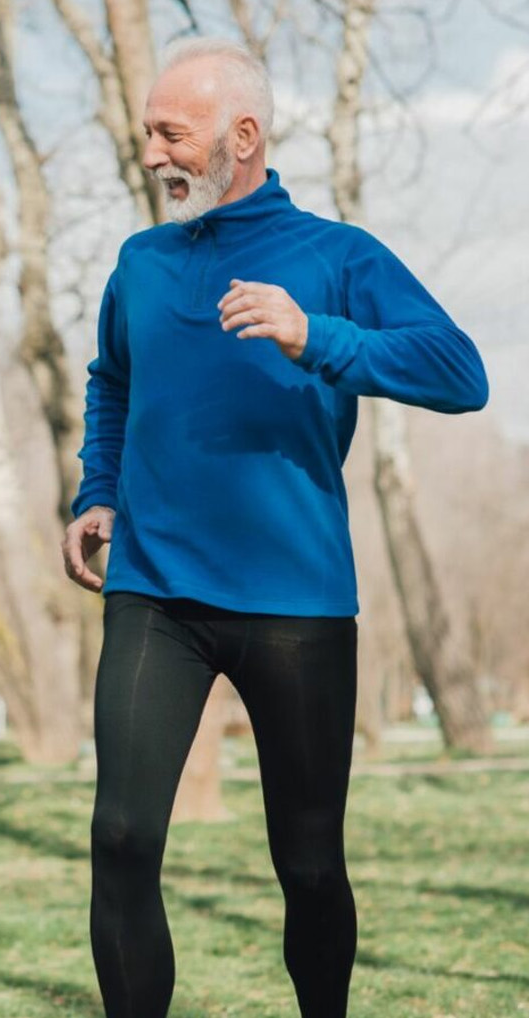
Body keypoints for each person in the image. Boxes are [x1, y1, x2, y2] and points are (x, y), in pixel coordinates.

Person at [60, 38, 488, 1018]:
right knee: (121, 836)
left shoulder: (337, 258)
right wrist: (99, 489)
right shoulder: (142, 260)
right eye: (148, 133)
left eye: (173, 132)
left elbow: (461, 372)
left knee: (306, 860)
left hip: (295, 600)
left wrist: (315, 334)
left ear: (241, 136)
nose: (154, 153)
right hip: (155, 592)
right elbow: (113, 381)